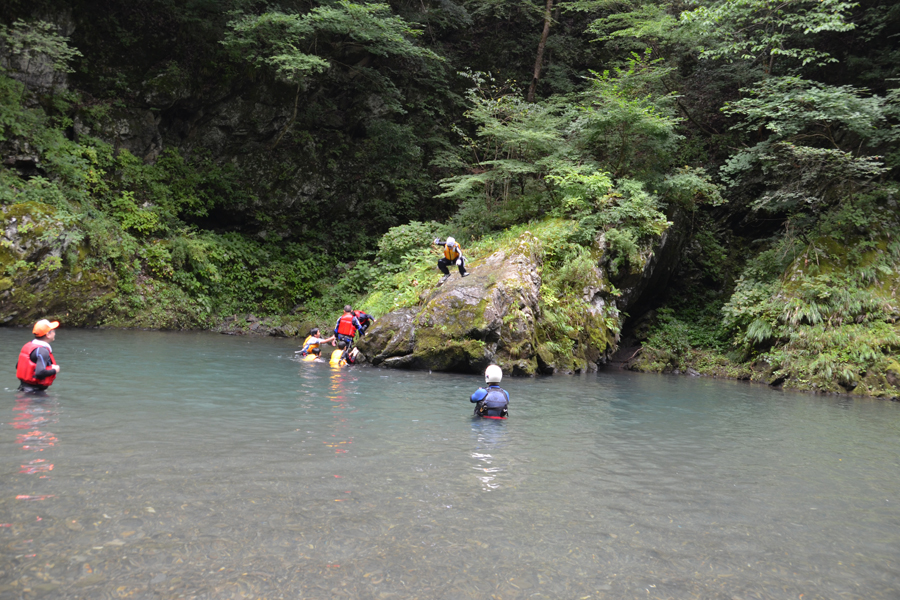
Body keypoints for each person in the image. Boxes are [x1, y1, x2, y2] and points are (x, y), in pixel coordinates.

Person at [16, 319, 61, 393]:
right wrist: (55, 370)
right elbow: (40, 372)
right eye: (53, 331)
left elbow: (18, 366)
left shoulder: (29, 346)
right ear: (48, 335)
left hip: (23, 389)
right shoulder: (43, 351)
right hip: (35, 393)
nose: (55, 333)